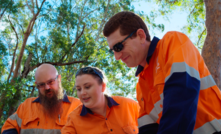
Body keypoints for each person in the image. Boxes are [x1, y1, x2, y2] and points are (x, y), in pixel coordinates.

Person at [102, 11, 221, 134]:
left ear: (141, 36)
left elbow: (181, 95)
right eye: (113, 51)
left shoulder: (172, 42)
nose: (116, 56)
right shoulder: (140, 89)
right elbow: (148, 129)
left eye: (119, 47)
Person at [1, 63, 81, 134]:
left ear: (59, 79)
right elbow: (9, 125)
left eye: (51, 82)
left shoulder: (77, 106)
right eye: (41, 84)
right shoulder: (26, 106)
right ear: (37, 85)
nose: (47, 87)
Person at [61, 66, 139, 134]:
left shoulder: (130, 105)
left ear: (103, 86)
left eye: (87, 87)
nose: (82, 93)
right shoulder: (73, 119)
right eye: (78, 89)